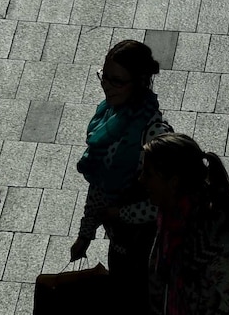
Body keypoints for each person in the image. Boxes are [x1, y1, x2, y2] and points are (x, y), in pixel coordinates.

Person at [71, 40, 173, 314]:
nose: (106, 86)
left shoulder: (154, 136)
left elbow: (165, 202)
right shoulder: (108, 118)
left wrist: (120, 214)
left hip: (149, 252)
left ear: (139, 83)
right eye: (104, 77)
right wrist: (86, 233)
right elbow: (99, 185)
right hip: (120, 245)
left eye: (116, 81)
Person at [140, 133, 229, 315]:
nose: (141, 180)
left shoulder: (214, 240)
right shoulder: (171, 220)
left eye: (148, 173)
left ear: (173, 182)